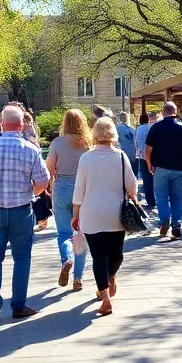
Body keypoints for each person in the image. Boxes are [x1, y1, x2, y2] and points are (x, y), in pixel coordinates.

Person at [0, 104, 51, 322]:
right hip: (21, 210)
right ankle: (18, 305)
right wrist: (32, 192)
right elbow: (44, 180)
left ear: (1, 123)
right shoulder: (31, 149)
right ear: (22, 124)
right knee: (22, 257)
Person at [72, 117, 137, 317]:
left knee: (98, 257)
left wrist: (75, 214)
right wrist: (134, 200)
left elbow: (79, 189)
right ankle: (110, 278)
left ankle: (106, 296)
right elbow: (132, 185)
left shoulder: (86, 158)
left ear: (95, 134)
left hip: (91, 213)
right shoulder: (121, 156)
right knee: (116, 254)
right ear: (113, 134)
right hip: (115, 213)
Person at [46, 109, 91, 293]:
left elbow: (49, 168)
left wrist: (49, 183)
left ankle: (66, 259)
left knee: (64, 233)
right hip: (83, 189)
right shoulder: (88, 144)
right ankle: (78, 278)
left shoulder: (57, 142)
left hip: (62, 186)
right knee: (81, 234)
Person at [145, 101, 182, 240]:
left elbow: (148, 148)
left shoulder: (155, 127)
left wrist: (149, 163)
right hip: (179, 168)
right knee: (177, 197)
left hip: (160, 168)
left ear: (162, 112)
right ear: (175, 111)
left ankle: (164, 220)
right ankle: (176, 224)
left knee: (161, 197)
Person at [134, 112, 156, 210]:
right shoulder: (151, 127)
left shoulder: (138, 129)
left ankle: (150, 200)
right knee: (155, 178)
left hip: (142, 156)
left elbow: (136, 143)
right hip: (153, 156)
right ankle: (157, 199)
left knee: (146, 180)